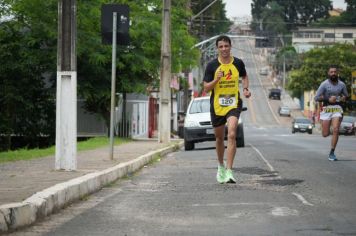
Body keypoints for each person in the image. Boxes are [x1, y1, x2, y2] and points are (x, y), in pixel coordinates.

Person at [203, 35, 251, 184]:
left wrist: (246, 89)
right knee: (219, 138)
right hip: (217, 105)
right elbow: (205, 88)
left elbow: (244, 76)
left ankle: (230, 171)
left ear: (231, 47)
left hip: (233, 103)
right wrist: (216, 79)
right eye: (221, 46)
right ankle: (221, 166)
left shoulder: (238, 63)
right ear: (217, 49)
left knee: (231, 134)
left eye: (226, 46)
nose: (224, 49)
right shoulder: (212, 66)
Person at [314, 65, 348, 161]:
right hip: (327, 108)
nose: (333, 73)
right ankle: (327, 128)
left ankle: (332, 152)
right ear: (328, 74)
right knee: (325, 134)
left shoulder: (342, 85)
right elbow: (316, 98)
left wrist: (343, 98)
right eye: (331, 72)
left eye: (335, 72)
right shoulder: (324, 84)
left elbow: (346, 96)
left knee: (336, 129)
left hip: (337, 108)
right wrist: (327, 99)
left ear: (337, 73)